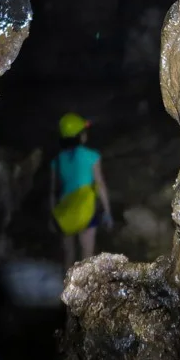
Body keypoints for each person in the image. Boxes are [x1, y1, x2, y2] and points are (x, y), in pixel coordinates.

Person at [50, 113, 112, 271]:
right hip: (87, 209)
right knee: (87, 256)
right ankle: (84, 293)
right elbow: (100, 184)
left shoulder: (56, 161)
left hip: (65, 211)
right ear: (80, 136)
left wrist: (53, 217)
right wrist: (107, 211)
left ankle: (66, 291)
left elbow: (53, 192)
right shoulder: (92, 156)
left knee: (68, 255)